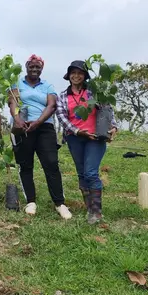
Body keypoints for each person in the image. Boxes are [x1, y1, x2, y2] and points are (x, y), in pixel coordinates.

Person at [8, 54, 72, 219]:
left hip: (44, 127)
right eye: (32, 66)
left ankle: (60, 203)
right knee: (25, 164)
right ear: (26, 67)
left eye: (38, 67)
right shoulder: (16, 84)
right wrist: (17, 119)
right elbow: (12, 103)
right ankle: (31, 201)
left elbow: (51, 105)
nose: (34, 69)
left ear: (41, 69)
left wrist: (38, 122)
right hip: (22, 128)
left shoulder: (47, 86)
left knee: (51, 163)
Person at [56, 60, 118, 224]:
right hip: (75, 138)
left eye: (80, 73)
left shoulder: (94, 92)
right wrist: (77, 131)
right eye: (73, 73)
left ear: (85, 76)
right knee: (82, 173)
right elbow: (62, 118)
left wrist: (114, 127)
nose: (76, 76)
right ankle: (89, 207)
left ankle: (96, 212)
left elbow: (108, 110)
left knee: (91, 172)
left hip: (95, 137)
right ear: (69, 76)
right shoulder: (63, 96)